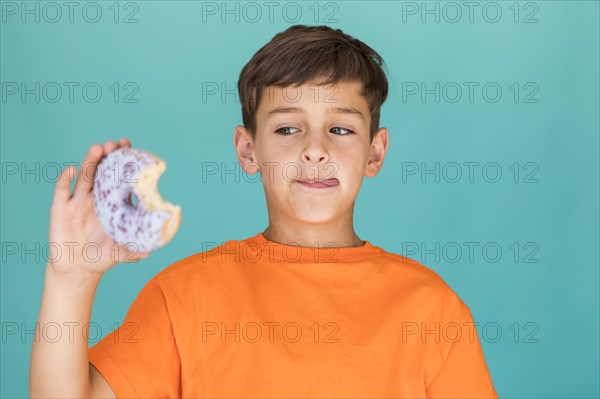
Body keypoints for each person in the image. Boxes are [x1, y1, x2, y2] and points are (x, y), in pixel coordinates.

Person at [30, 24, 498, 398]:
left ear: (375, 153)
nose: (315, 150)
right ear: (247, 149)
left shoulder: (432, 309)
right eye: (289, 128)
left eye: (340, 130)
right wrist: (70, 278)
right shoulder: (183, 297)